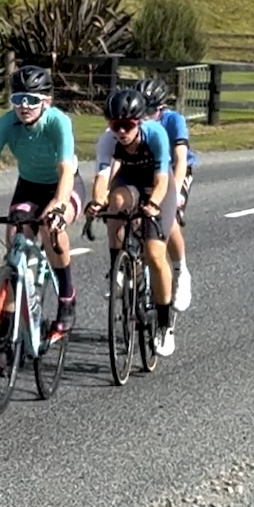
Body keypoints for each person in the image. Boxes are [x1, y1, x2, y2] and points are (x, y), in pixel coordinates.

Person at [0, 64, 82, 336]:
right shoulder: (6, 123)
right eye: (18, 99)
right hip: (29, 186)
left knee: (53, 228)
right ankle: (8, 324)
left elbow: (65, 169)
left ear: (46, 101)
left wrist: (60, 205)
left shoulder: (58, 121)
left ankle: (67, 297)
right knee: (15, 236)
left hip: (64, 184)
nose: (24, 106)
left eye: (33, 100)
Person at [88, 86, 178, 356]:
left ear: (138, 122)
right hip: (128, 183)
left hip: (156, 186)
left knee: (154, 252)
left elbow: (162, 180)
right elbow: (102, 177)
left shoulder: (156, 134)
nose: (121, 132)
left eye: (127, 126)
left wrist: (152, 205)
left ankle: (164, 323)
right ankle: (118, 265)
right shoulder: (108, 141)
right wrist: (96, 201)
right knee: (115, 203)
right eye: (116, 125)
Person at [135, 75, 195, 312]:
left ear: (162, 109)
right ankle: (130, 270)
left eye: (149, 112)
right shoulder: (134, 123)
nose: (143, 117)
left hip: (175, 171)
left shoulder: (174, 121)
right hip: (147, 170)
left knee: (168, 220)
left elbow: (180, 160)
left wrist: (176, 191)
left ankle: (181, 271)